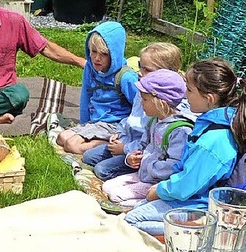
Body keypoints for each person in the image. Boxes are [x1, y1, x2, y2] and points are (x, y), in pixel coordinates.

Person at [125, 58, 246, 235]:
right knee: (139, 206)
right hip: (193, 198)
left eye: (189, 90)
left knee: (131, 221)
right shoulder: (219, 121)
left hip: (199, 205)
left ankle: (199, 234)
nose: (185, 95)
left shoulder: (214, 141)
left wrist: (160, 190)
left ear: (209, 98)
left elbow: (187, 185)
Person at [83, 42, 185, 180]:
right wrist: (120, 132)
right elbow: (132, 116)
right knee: (89, 156)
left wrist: (124, 149)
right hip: (128, 141)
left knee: (101, 169)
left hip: (140, 150)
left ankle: (138, 173)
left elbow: (150, 141)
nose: (139, 73)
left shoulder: (163, 105)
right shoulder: (143, 87)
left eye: (147, 70)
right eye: (140, 66)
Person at [101, 70, 194, 207]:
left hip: (156, 182)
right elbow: (143, 145)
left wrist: (148, 164)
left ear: (161, 103)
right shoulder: (154, 121)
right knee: (107, 187)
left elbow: (173, 165)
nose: (141, 104)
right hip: (143, 175)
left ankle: (148, 202)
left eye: (145, 99)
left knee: (115, 196)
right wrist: (131, 158)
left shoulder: (180, 130)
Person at [56, 21, 138, 154]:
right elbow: (85, 96)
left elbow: (140, 106)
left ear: (114, 54)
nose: (97, 58)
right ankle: (95, 140)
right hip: (96, 122)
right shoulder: (90, 68)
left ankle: (112, 144)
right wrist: (84, 124)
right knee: (61, 138)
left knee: (71, 145)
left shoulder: (126, 77)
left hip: (115, 124)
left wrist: (129, 131)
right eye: (93, 52)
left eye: (104, 54)